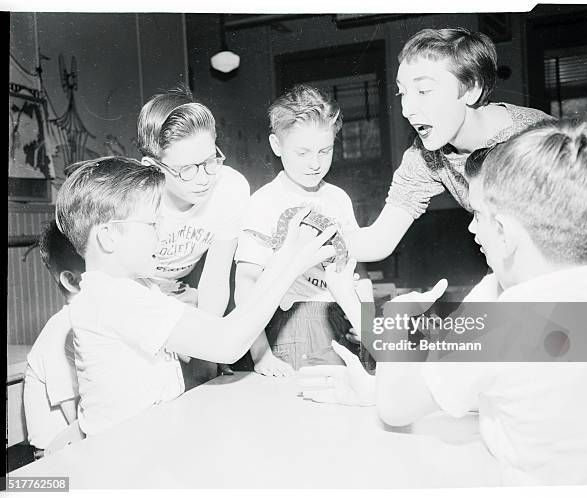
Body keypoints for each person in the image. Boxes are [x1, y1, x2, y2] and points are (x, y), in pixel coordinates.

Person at [299, 120, 587, 485]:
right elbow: (480, 380)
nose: (472, 228)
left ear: (505, 233)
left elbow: (397, 407)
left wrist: (397, 322)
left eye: (478, 215)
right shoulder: (552, 300)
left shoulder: (504, 317)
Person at [55, 156, 336, 436]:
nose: (162, 233)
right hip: (129, 455)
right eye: (152, 224)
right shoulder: (117, 298)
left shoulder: (126, 290)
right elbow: (227, 342)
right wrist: (292, 266)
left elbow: (222, 329)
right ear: (109, 236)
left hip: (142, 443)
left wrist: (285, 257)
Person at [344, 27, 550, 262]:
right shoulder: (426, 155)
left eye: (423, 90)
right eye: (402, 93)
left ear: (472, 89)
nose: (406, 110)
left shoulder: (537, 138)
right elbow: (379, 241)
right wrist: (312, 244)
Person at [234, 84, 371, 376]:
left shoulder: (338, 198)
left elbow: (357, 270)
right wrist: (261, 355)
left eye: (325, 150)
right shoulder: (263, 203)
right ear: (276, 145)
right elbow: (245, 287)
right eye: (303, 152)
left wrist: (365, 322)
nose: (315, 163)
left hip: (341, 319)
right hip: (291, 326)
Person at [138, 87, 250, 380]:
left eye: (210, 160)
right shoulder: (134, 198)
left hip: (182, 291)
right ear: (153, 167)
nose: (204, 179)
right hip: (134, 295)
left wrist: (207, 344)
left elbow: (215, 279)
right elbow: (119, 286)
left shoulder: (230, 188)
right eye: (187, 169)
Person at [23, 220, 84, 457]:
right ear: (72, 280)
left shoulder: (93, 321)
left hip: (77, 448)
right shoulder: (59, 334)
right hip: (53, 462)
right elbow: (79, 424)